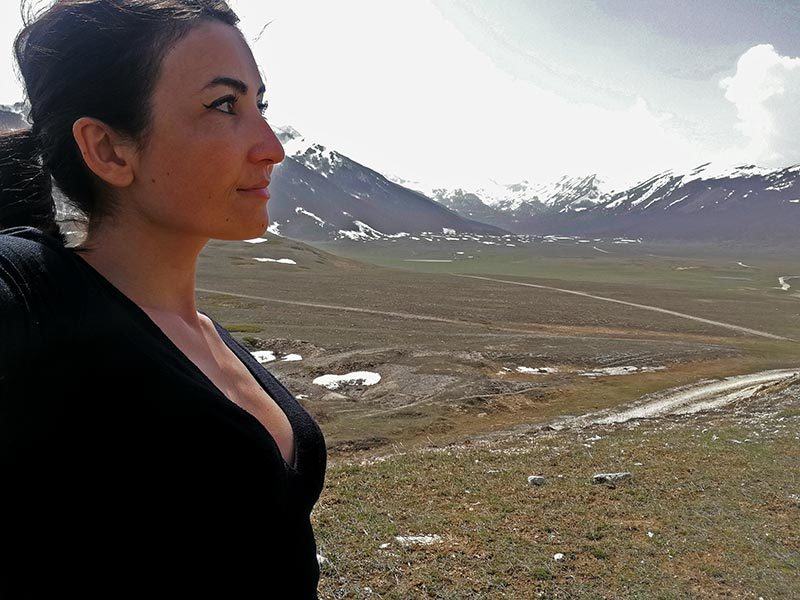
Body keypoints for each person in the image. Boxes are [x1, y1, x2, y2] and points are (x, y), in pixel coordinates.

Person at [0, 1, 326, 597]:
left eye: (261, 106)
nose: (272, 147)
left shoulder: (203, 332)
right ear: (108, 149)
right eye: (224, 105)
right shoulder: (33, 296)